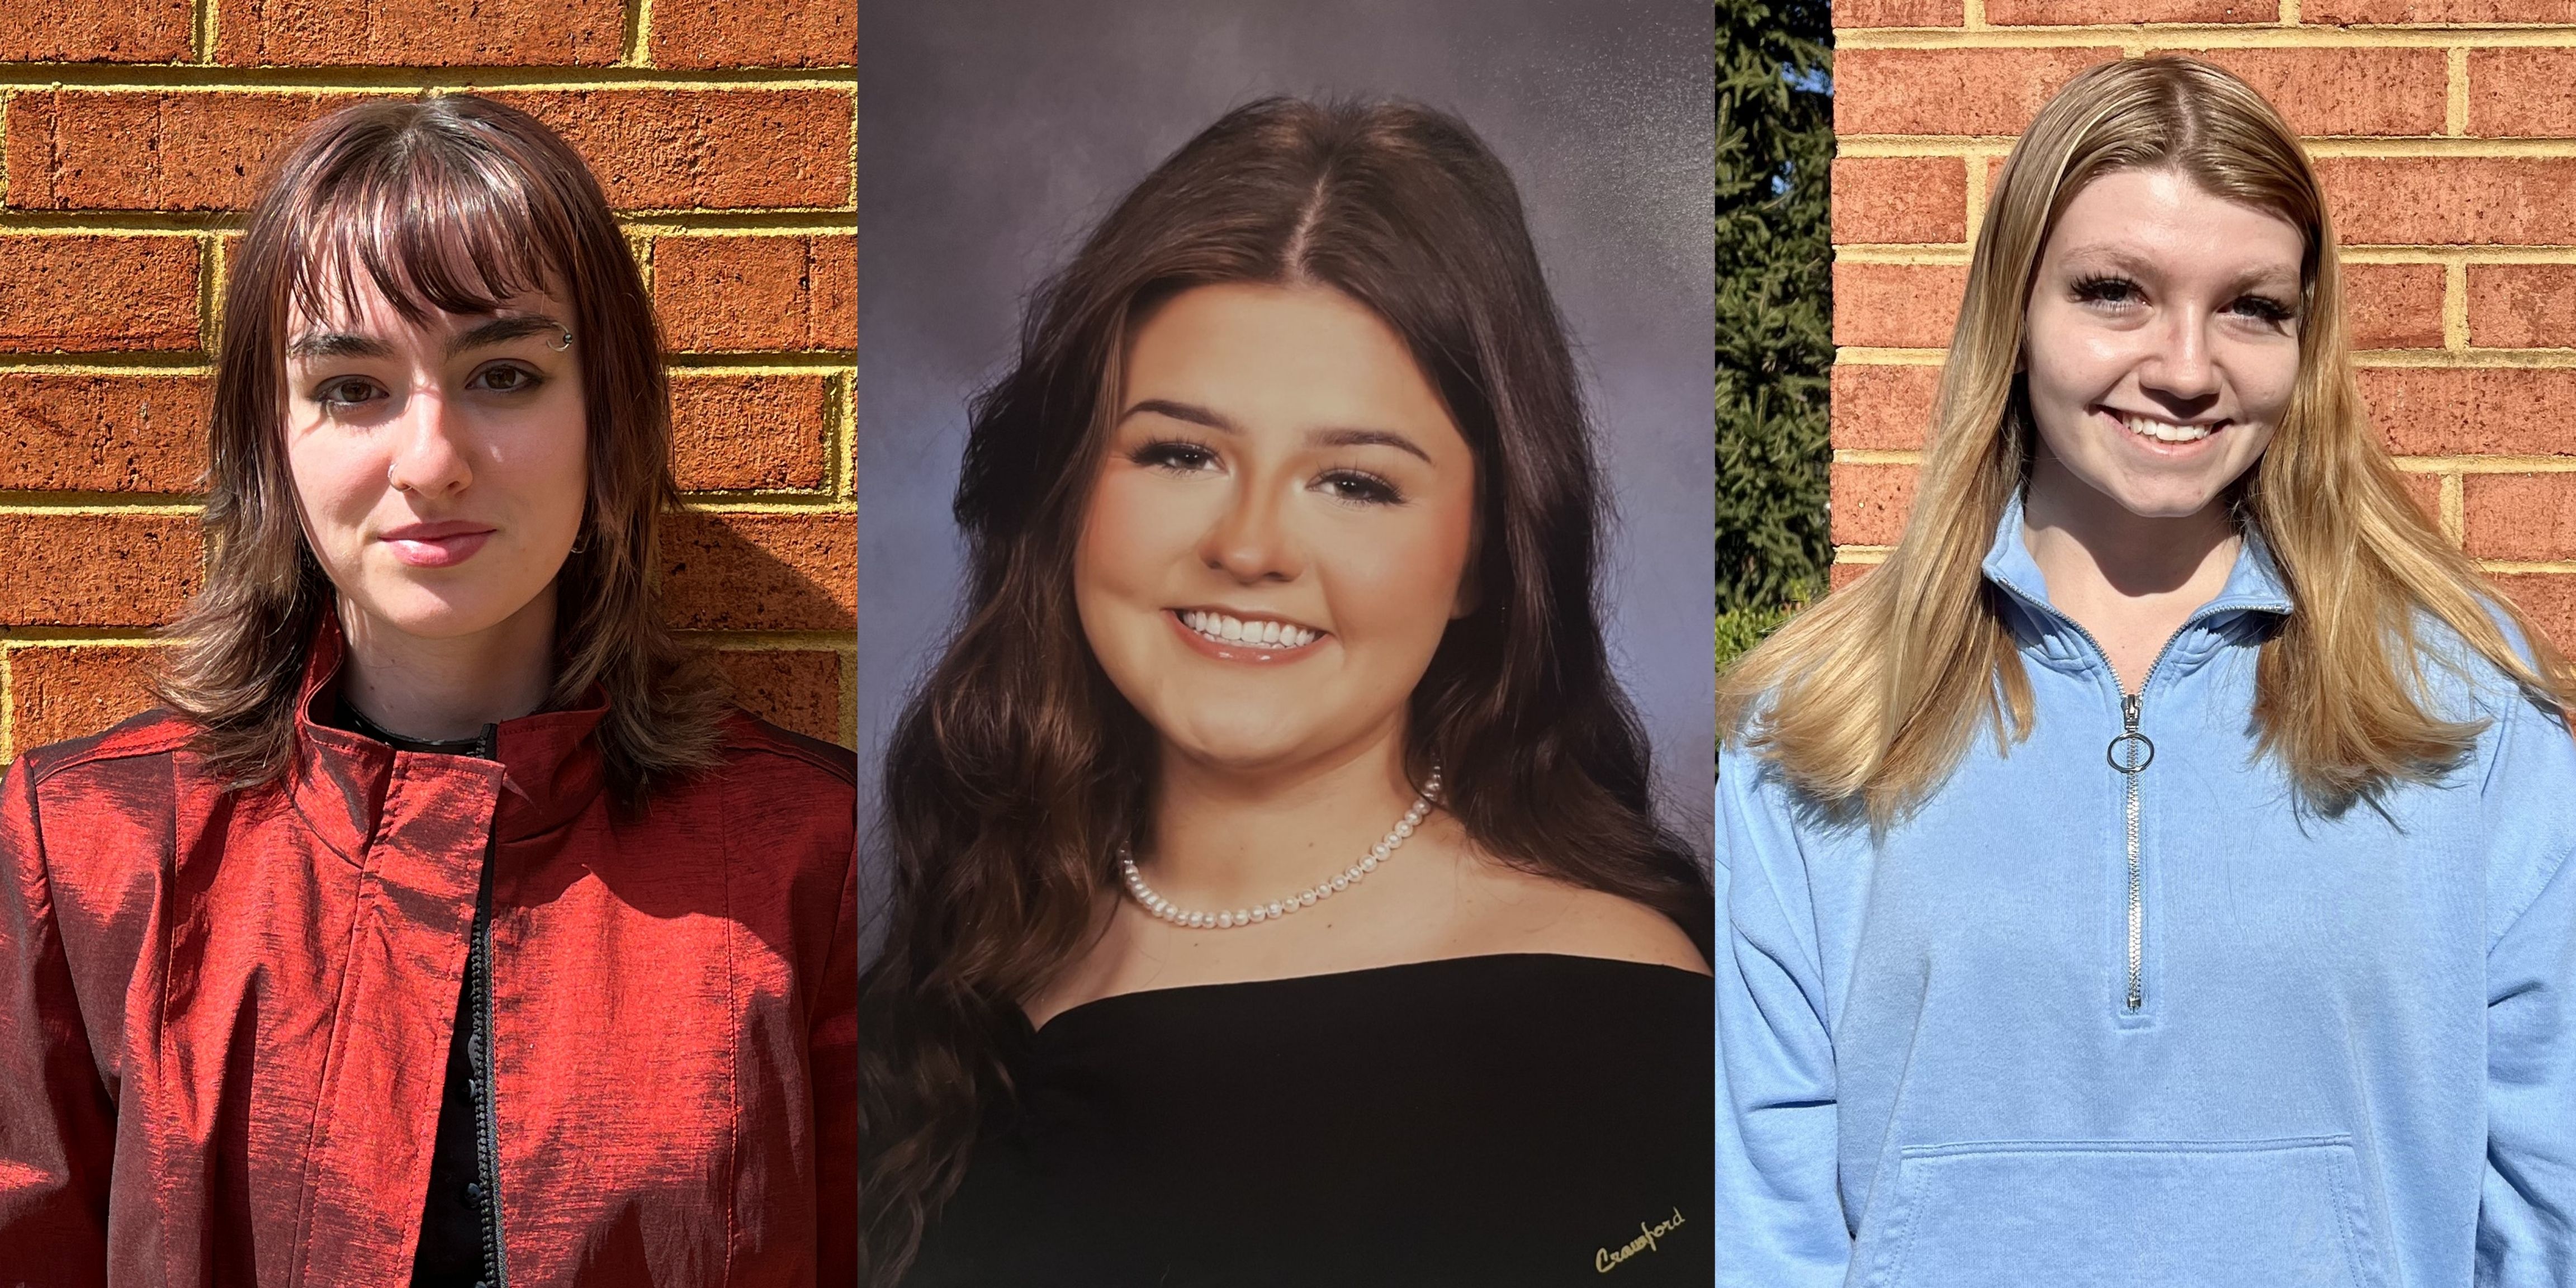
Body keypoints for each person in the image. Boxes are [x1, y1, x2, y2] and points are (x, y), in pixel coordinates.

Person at [1715, 55, 2576, 1287]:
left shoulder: (2466, 710)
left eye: (2252, 307)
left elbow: (2551, 1195)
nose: (2184, 365)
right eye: (2115, 292)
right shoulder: (1818, 730)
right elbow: (1761, 1220)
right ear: (2014, 315)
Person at [0, 96, 857, 1285]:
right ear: (273, 442)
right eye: (353, 387)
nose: (431, 459)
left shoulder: (823, 860)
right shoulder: (91, 854)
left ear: (607, 419)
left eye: (503, 373)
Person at [858, 97, 1714, 1287]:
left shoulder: (1616, 1025)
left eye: (1356, 483)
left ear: (1480, 557)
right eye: (1180, 453)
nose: (1251, 545)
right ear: (1065, 497)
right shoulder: (969, 944)